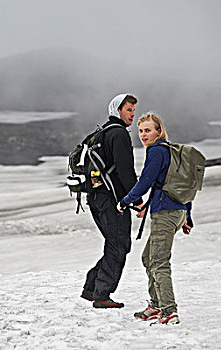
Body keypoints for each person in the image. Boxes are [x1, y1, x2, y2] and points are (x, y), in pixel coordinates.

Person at [117, 112, 193, 324]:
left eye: (148, 130)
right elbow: (182, 182)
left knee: (159, 262)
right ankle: (157, 305)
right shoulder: (170, 151)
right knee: (148, 258)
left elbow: (146, 181)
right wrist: (187, 213)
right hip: (176, 211)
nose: (143, 135)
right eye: (141, 131)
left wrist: (126, 200)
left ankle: (169, 311)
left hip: (166, 213)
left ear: (159, 131)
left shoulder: (157, 151)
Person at [80, 94, 143, 308]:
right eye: (128, 110)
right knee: (119, 245)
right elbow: (125, 171)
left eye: (134, 111)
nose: (132, 115)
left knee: (114, 244)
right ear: (117, 110)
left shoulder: (102, 133)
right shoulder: (119, 134)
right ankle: (101, 295)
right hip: (112, 201)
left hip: (96, 198)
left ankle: (91, 288)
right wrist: (137, 199)